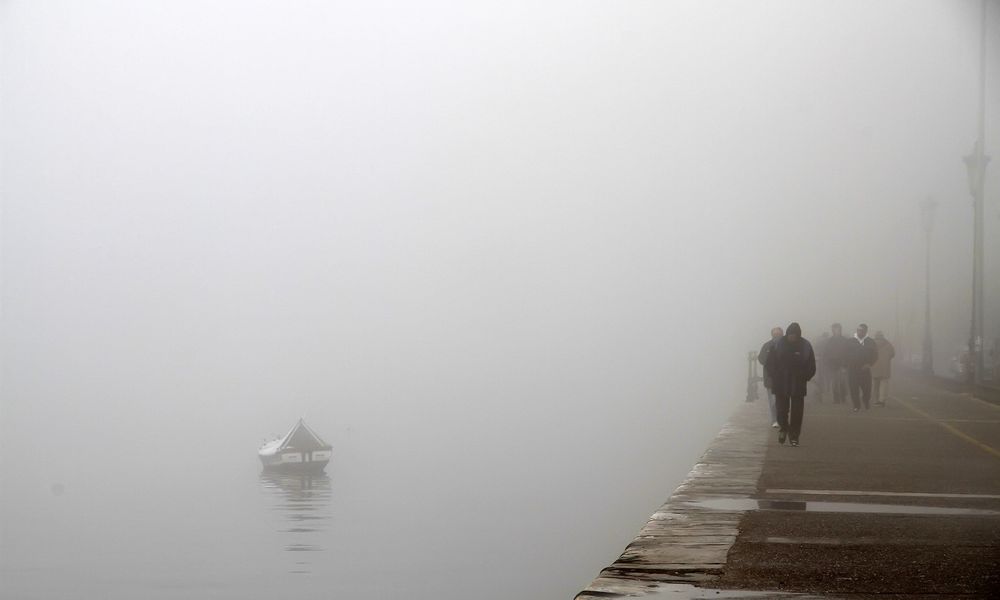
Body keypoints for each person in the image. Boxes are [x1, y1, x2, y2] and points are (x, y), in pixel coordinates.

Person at [764, 322, 816, 446]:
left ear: (798, 335)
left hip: (798, 383)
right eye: (790, 335)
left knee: (797, 412)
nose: (792, 337)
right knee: (781, 410)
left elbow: (811, 365)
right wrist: (774, 375)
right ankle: (784, 428)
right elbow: (769, 363)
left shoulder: (805, 346)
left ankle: (794, 436)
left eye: (794, 335)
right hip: (781, 383)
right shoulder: (778, 345)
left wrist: (805, 376)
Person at [846, 323, 878, 412]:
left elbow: (875, 355)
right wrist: (846, 365)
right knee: (853, 388)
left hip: (865, 369)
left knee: (867, 389)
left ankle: (866, 400)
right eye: (858, 330)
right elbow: (844, 354)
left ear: (866, 331)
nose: (860, 332)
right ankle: (856, 405)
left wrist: (869, 364)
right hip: (852, 369)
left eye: (862, 330)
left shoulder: (870, 342)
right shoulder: (850, 341)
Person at [758, 327, 783, 429]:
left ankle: (781, 418)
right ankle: (775, 420)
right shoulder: (767, 345)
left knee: (782, 400)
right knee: (772, 401)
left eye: (778, 334)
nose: (776, 336)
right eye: (775, 334)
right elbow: (761, 358)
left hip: (783, 378)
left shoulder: (787, 346)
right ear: (772, 335)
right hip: (770, 378)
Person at [824, 323, 851, 404]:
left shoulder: (845, 340)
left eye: (837, 329)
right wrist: (827, 362)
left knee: (843, 382)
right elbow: (826, 353)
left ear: (840, 330)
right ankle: (836, 399)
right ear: (832, 330)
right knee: (835, 382)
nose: (836, 331)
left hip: (843, 364)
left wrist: (846, 364)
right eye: (834, 329)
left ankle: (843, 397)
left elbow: (848, 353)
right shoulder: (830, 341)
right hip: (833, 364)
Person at [871, 331, 896, 407]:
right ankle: (882, 400)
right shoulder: (888, 345)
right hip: (885, 367)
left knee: (875, 385)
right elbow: (892, 354)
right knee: (884, 384)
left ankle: (875, 400)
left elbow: (868, 354)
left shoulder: (872, 344)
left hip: (875, 367)